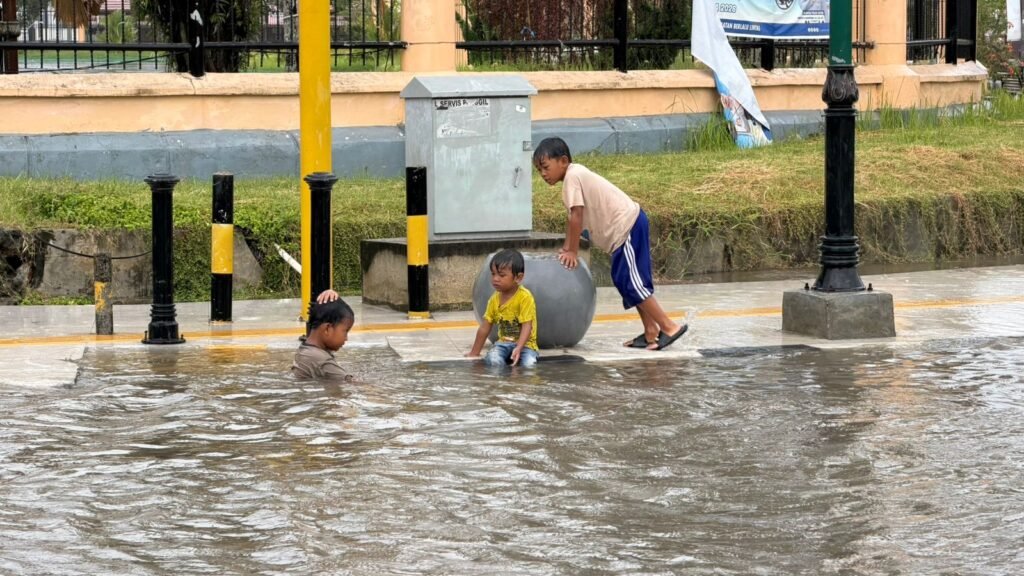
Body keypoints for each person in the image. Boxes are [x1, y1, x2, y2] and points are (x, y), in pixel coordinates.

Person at [532, 137, 688, 351]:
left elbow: (576, 215)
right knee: (627, 281)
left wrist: (572, 252)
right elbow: (574, 216)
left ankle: (668, 326)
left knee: (632, 282)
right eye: (539, 170)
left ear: (563, 161)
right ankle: (651, 331)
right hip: (626, 229)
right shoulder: (575, 175)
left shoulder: (572, 177)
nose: (543, 174)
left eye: (545, 167)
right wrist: (567, 247)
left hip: (627, 226)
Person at [465, 248, 540, 368]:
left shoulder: (525, 297)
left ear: (518, 278)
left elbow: (527, 326)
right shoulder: (494, 300)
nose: (495, 279)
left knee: (529, 364)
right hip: (503, 344)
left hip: (526, 346)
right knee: (493, 359)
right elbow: (485, 327)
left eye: (501, 275)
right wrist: (474, 353)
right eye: (493, 274)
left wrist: (519, 348)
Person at [292, 289, 355, 380]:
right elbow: (353, 384)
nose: (346, 338)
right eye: (345, 331)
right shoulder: (321, 360)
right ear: (327, 329)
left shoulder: (307, 350)